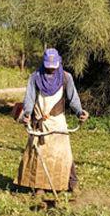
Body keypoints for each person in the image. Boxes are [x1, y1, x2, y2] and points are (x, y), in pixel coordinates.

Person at [16, 48, 89, 193]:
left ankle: (72, 184)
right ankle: (39, 188)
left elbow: (73, 98)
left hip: (57, 121)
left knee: (63, 153)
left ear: (59, 62)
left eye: (53, 67)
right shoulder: (35, 77)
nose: (51, 70)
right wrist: (27, 114)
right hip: (39, 121)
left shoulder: (66, 77)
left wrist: (80, 112)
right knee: (39, 154)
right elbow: (29, 99)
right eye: (48, 67)